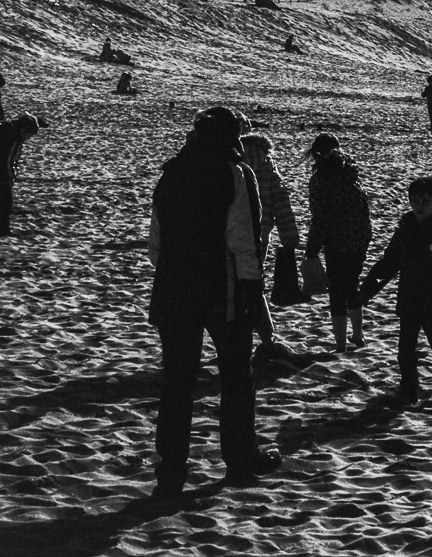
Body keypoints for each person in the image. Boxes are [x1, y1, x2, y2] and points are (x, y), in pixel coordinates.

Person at [147, 106, 279, 498]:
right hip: (223, 292)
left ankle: (170, 472)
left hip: (173, 292)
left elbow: (156, 245)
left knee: (177, 384)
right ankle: (240, 458)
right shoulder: (234, 173)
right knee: (237, 378)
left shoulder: (170, 174)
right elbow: (243, 241)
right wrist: (252, 292)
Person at [358, 175, 432, 405]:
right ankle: (408, 388)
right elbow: (389, 263)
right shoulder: (405, 230)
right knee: (405, 349)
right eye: (415, 200)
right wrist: (366, 291)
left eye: (425, 201)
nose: (419, 205)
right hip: (409, 299)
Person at [305, 138, 373, 353]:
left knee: (336, 290)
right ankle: (358, 334)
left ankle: (341, 344)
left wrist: (312, 248)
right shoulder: (352, 173)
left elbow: (320, 218)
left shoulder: (321, 180)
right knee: (352, 284)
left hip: (335, 240)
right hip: (359, 236)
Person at [240, 134, 303, 362]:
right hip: (260, 231)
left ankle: (243, 337)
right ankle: (267, 338)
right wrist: (289, 237)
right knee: (256, 283)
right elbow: (280, 199)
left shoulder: (232, 160)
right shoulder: (267, 163)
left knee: (236, 285)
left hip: (231, 231)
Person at [0, 110, 40, 235]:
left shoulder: (3, 133)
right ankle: (3, 229)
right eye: (28, 136)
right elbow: (8, 160)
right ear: (23, 131)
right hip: (0, 173)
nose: (28, 139)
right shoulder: (13, 140)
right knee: (6, 201)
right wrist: (11, 176)